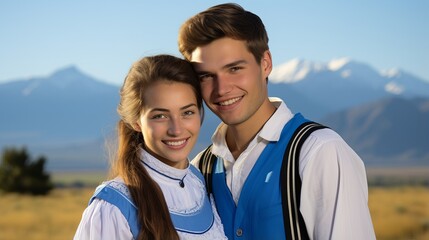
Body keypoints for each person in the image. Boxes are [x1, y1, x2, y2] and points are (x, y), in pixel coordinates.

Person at [178, 3, 376, 240]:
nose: (222, 89)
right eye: (206, 76)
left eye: (234, 69)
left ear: (265, 64)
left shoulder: (319, 152)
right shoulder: (201, 167)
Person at [74, 54, 227, 240]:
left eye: (187, 112)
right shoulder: (113, 208)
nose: (176, 129)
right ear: (136, 122)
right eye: (160, 116)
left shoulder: (200, 183)